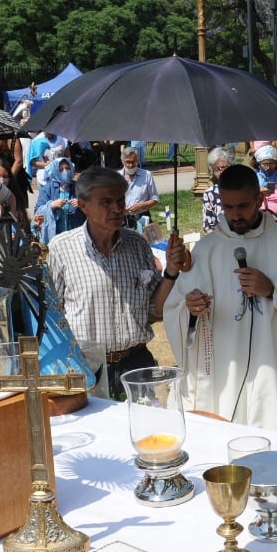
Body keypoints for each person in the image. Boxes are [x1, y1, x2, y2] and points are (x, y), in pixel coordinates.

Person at [162, 164, 277, 431]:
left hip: (273, 369)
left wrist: (275, 290)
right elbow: (174, 311)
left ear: (260, 199)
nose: (234, 215)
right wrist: (190, 309)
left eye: (242, 206)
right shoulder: (205, 250)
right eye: (228, 207)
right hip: (222, 371)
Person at [47, 167, 184, 399]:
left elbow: (157, 309)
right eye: (106, 202)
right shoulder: (61, 248)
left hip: (137, 365)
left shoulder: (137, 244)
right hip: (88, 368)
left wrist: (171, 270)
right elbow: (53, 316)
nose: (117, 208)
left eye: (120, 200)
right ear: (83, 205)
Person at [33, 156, 85, 239]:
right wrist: (52, 205)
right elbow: (37, 211)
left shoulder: (79, 186)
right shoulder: (48, 188)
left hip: (77, 235)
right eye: (61, 169)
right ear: (55, 171)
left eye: (67, 168)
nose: (65, 172)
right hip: (55, 235)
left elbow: (92, 205)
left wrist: (81, 203)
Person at [121, 146, 159, 229]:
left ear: (137, 160)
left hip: (142, 218)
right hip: (122, 220)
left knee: (145, 241)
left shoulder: (146, 175)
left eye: (133, 162)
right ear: (123, 161)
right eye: (128, 162)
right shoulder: (116, 177)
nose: (130, 165)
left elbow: (155, 199)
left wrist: (141, 205)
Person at [202, 147, 233, 233]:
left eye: (223, 167)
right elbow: (208, 226)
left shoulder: (242, 189)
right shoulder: (209, 194)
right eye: (217, 169)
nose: (221, 172)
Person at [254, 145, 277, 218]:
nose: (268, 167)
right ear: (259, 163)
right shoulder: (253, 176)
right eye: (264, 164)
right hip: (257, 213)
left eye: (271, 163)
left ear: (276, 163)